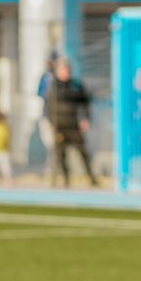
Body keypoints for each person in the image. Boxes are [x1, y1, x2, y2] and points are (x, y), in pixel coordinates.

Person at [45, 59, 96, 188]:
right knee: (60, 155)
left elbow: (85, 104)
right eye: (63, 70)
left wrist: (85, 119)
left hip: (73, 125)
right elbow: (48, 106)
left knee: (83, 152)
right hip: (60, 126)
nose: (66, 73)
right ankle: (64, 180)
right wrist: (51, 122)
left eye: (68, 70)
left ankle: (91, 178)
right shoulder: (53, 86)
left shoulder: (76, 85)